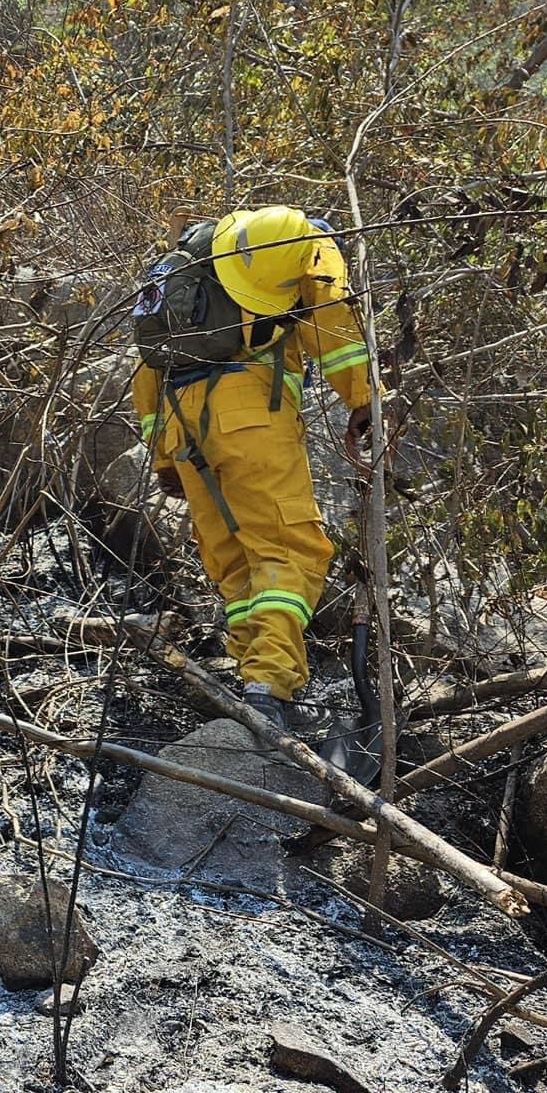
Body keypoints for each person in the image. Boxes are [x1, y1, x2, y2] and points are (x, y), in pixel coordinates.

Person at [131, 206, 388, 736]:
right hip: (249, 418)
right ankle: (270, 684)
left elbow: (149, 366)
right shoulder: (303, 239)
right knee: (289, 547)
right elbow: (331, 314)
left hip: (183, 425)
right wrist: (365, 397)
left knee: (233, 557)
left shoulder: (184, 263)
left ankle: (250, 675)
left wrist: (162, 454)